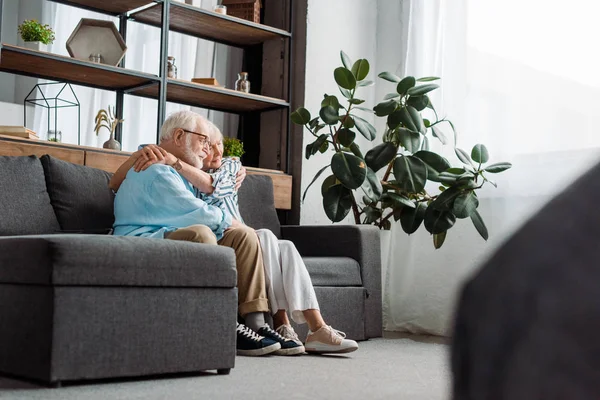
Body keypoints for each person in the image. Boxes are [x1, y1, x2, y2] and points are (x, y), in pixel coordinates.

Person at [114, 121, 358, 354]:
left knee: (281, 245)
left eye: (216, 143)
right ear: (180, 138)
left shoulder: (227, 166)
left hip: (230, 229)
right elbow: (115, 183)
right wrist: (145, 155)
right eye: (206, 143)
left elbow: (213, 186)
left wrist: (176, 161)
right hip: (217, 231)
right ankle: (280, 324)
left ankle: (307, 327)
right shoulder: (168, 171)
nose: (211, 149)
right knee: (264, 239)